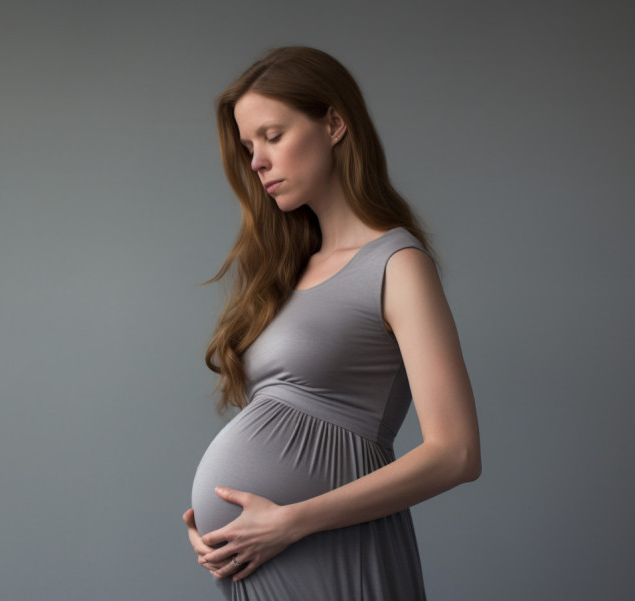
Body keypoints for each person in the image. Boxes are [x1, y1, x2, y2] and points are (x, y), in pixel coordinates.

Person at [182, 46, 481, 600]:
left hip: (332, 552)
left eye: (272, 136)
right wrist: (219, 522)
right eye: (249, 148)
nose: (257, 162)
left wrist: (289, 520)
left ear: (335, 123)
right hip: (266, 558)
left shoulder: (397, 265)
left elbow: (457, 453)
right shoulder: (288, 271)